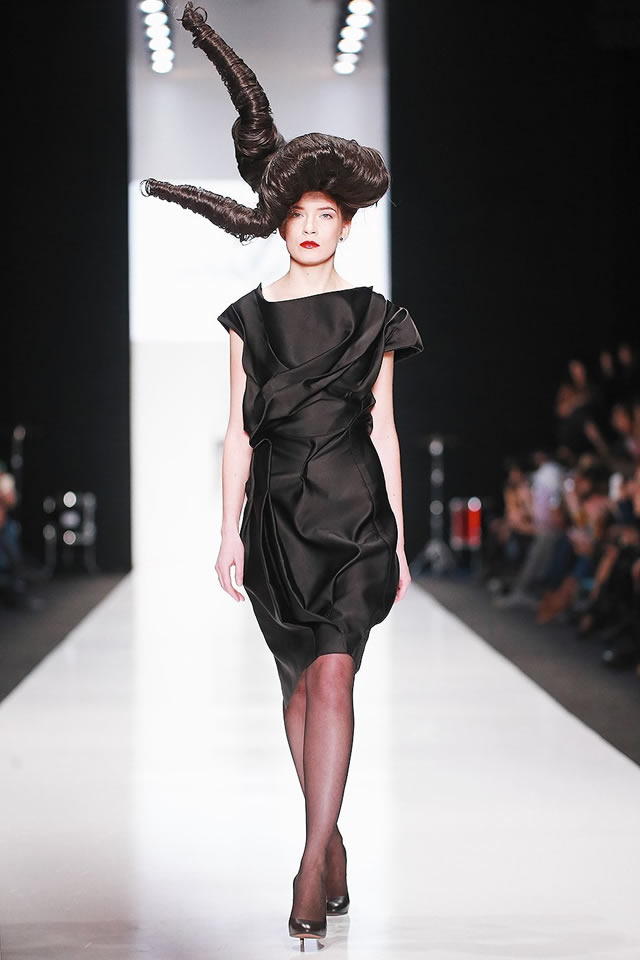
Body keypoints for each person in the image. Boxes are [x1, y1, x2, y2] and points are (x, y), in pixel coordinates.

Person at [141, 3, 424, 947]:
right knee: (298, 688)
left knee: (335, 678)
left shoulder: (376, 315)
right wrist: (226, 530)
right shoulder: (247, 316)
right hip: (276, 517)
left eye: (325, 216)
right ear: (280, 223)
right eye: (297, 216)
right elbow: (236, 432)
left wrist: (401, 538)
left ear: (346, 223)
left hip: (354, 514)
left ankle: (306, 865)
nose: (309, 228)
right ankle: (331, 840)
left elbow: (386, 428)